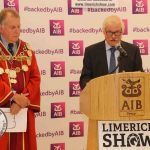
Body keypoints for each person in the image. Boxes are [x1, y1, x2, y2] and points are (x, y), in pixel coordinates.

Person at [0, 8, 40, 150]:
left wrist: (22, 100)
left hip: (23, 111)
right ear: (1, 28)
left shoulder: (27, 50)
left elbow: (35, 78)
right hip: (2, 112)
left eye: (18, 27)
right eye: (12, 27)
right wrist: (13, 97)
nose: (17, 31)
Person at [80, 15, 143, 89]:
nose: (113, 36)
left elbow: (140, 77)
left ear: (122, 32)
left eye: (117, 32)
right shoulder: (91, 52)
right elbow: (84, 80)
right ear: (104, 32)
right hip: (99, 96)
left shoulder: (132, 50)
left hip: (125, 96)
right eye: (110, 32)